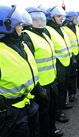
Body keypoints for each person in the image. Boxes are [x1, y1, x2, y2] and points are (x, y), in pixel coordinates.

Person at [0, 5, 39, 137]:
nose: (22, 28)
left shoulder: (19, 44)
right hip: (10, 114)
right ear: (6, 26)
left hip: (27, 104)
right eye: (19, 25)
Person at [23, 7, 63, 137]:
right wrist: (37, 87)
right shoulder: (27, 36)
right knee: (42, 114)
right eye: (35, 19)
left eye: (41, 18)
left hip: (52, 80)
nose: (39, 22)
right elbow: (28, 64)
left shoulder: (44, 33)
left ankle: (52, 130)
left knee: (52, 110)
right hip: (40, 85)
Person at [45, 6, 72, 123]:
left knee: (63, 87)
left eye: (61, 16)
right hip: (57, 64)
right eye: (58, 16)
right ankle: (58, 112)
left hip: (66, 62)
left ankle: (62, 104)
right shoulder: (48, 30)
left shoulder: (61, 28)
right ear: (51, 18)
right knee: (57, 90)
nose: (61, 18)